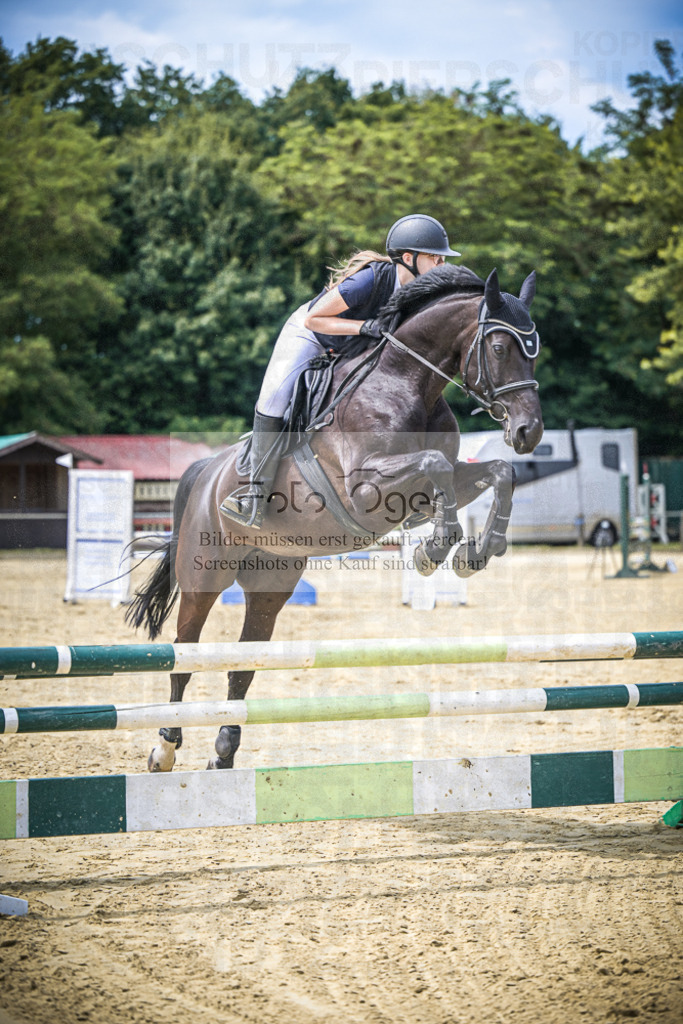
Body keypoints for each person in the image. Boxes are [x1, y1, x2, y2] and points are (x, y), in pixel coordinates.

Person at [219, 214, 461, 528]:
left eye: (443, 258)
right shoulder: (371, 279)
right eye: (435, 257)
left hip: (356, 346)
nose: (442, 264)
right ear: (408, 258)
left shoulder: (422, 295)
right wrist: (364, 326)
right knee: (275, 399)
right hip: (312, 335)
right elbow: (315, 319)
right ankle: (254, 492)